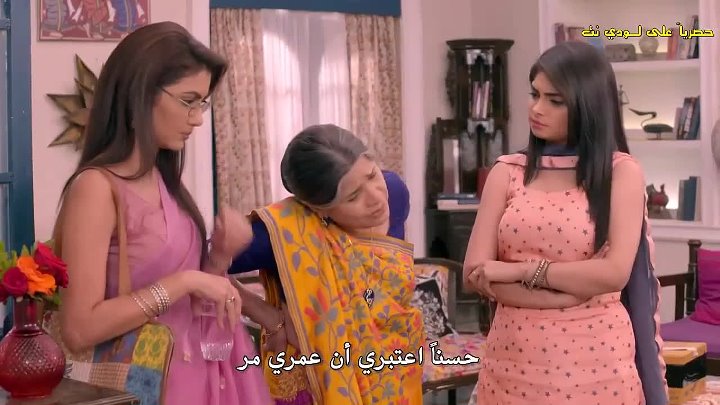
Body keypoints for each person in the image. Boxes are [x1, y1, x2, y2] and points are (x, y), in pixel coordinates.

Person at [54, 21, 271, 405]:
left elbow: (194, 298)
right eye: (188, 101)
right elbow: (79, 328)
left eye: (202, 103)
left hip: (205, 375)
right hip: (149, 384)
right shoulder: (96, 188)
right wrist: (184, 281)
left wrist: (219, 258)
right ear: (140, 93)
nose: (198, 118)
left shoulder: (163, 179)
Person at [463, 41, 668, 405]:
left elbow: (614, 273)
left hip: (598, 369)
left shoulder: (620, 173)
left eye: (554, 100)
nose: (536, 108)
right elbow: (474, 272)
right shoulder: (507, 172)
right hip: (511, 365)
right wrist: (571, 292)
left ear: (588, 105)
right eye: (535, 94)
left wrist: (516, 271)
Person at [222, 124, 425, 405]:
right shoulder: (289, 230)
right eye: (353, 197)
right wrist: (268, 316)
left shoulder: (395, 192)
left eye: (372, 175)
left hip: (394, 373)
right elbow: (194, 261)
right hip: (316, 383)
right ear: (318, 209)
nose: (377, 198)